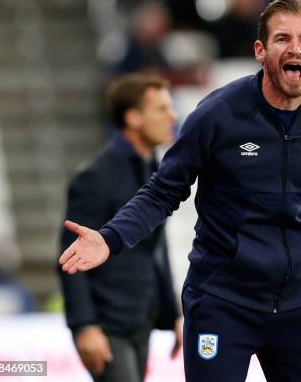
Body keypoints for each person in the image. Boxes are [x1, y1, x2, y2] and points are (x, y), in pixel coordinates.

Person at [59, 0, 301, 381]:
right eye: (282, 39)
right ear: (261, 51)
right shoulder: (218, 115)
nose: (294, 48)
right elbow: (163, 191)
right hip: (222, 302)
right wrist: (110, 239)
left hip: (300, 305)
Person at [57, 73, 182, 382]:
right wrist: (84, 326)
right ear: (133, 117)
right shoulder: (96, 175)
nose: (173, 115)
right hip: (107, 326)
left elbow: (157, 250)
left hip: (140, 319)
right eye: (161, 108)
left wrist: (173, 314)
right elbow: (69, 255)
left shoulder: (156, 168)